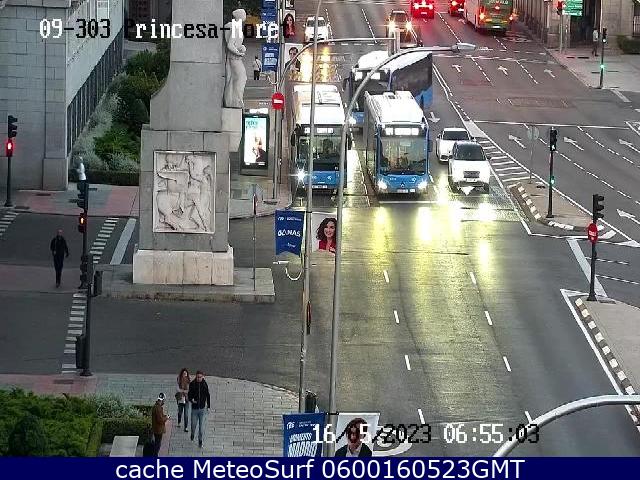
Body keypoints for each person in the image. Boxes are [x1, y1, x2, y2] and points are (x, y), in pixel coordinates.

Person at [188, 370, 211, 448]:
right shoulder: (192, 384)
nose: (199, 378)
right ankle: (192, 434)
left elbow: (208, 395)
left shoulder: (204, 384)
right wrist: (192, 400)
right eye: (197, 377)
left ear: (202, 377)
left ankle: (200, 441)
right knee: (193, 426)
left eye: (200, 377)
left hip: (202, 409)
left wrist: (208, 406)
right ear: (196, 376)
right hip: (194, 409)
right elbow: (189, 395)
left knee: (201, 428)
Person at [175, 368, 190, 432]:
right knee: (180, 413)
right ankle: (179, 422)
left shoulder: (188, 381)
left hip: (186, 400)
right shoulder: (179, 380)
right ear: (182, 374)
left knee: (186, 414)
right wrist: (184, 391)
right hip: (180, 399)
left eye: (186, 373)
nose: (185, 375)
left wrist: (183, 391)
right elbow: (177, 389)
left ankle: (186, 427)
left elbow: (189, 390)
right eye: (184, 373)